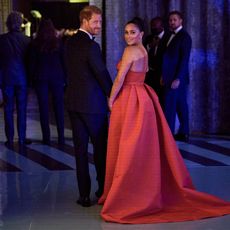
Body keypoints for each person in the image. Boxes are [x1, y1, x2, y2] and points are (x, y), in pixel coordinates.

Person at [98, 17, 230, 224]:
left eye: (133, 32)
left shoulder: (130, 51)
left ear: (142, 34)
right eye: (126, 32)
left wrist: (110, 99)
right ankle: (139, 189)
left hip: (130, 99)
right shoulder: (143, 50)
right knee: (142, 147)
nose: (128, 36)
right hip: (144, 98)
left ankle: (125, 195)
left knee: (127, 147)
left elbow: (120, 79)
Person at [64, 5, 112, 207]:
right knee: (101, 150)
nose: (99, 26)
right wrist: (113, 93)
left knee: (81, 151)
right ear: (84, 21)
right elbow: (101, 74)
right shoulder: (92, 46)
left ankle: (84, 195)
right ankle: (102, 191)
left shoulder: (68, 43)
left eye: (100, 22)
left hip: (73, 103)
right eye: (96, 22)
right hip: (93, 106)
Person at [29, 19, 66, 145]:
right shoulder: (58, 43)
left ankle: (46, 138)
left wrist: (32, 79)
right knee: (59, 108)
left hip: (41, 78)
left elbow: (31, 64)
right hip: (57, 78)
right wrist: (66, 78)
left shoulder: (35, 44)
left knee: (43, 108)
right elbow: (64, 62)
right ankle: (61, 137)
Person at [0, 11, 31, 148]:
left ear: (7, 24)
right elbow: (30, 62)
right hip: (22, 78)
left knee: (8, 109)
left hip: (6, 78)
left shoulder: (1, 39)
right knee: (22, 109)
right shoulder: (27, 40)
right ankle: (22, 138)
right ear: (20, 23)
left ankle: (10, 139)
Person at [161, 11, 191, 142]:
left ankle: (169, 135)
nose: (172, 22)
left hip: (177, 78)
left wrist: (178, 78)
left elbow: (184, 59)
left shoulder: (185, 36)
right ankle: (184, 132)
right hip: (168, 76)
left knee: (171, 106)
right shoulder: (169, 35)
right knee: (179, 105)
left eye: (175, 20)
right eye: (170, 20)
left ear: (181, 21)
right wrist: (163, 75)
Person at [144, 17, 169, 103]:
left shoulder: (169, 38)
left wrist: (164, 74)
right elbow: (142, 52)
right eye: (151, 26)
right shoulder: (148, 38)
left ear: (162, 27)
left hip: (162, 75)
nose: (152, 28)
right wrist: (150, 46)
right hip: (150, 75)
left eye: (155, 26)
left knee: (162, 101)